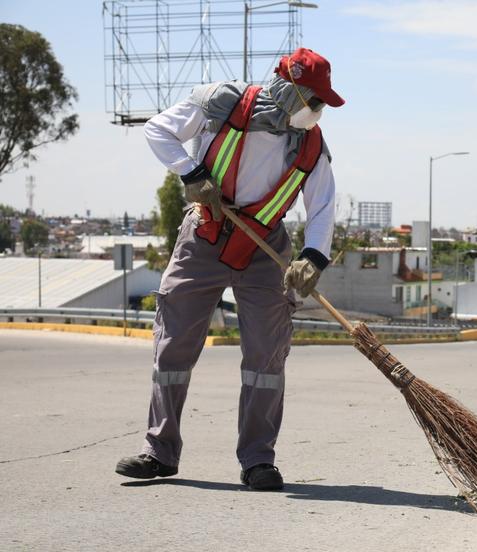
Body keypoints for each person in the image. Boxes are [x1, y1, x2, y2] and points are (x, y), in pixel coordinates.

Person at [115, 48, 344, 491]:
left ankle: (258, 460)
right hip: (203, 237)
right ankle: (158, 452)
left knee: (266, 357)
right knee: (173, 348)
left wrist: (312, 259)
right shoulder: (221, 104)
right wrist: (190, 172)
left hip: (266, 250)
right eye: (315, 101)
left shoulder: (311, 144)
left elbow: (323, 208)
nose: (318, 112)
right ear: (288, 89)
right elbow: (159, 130)